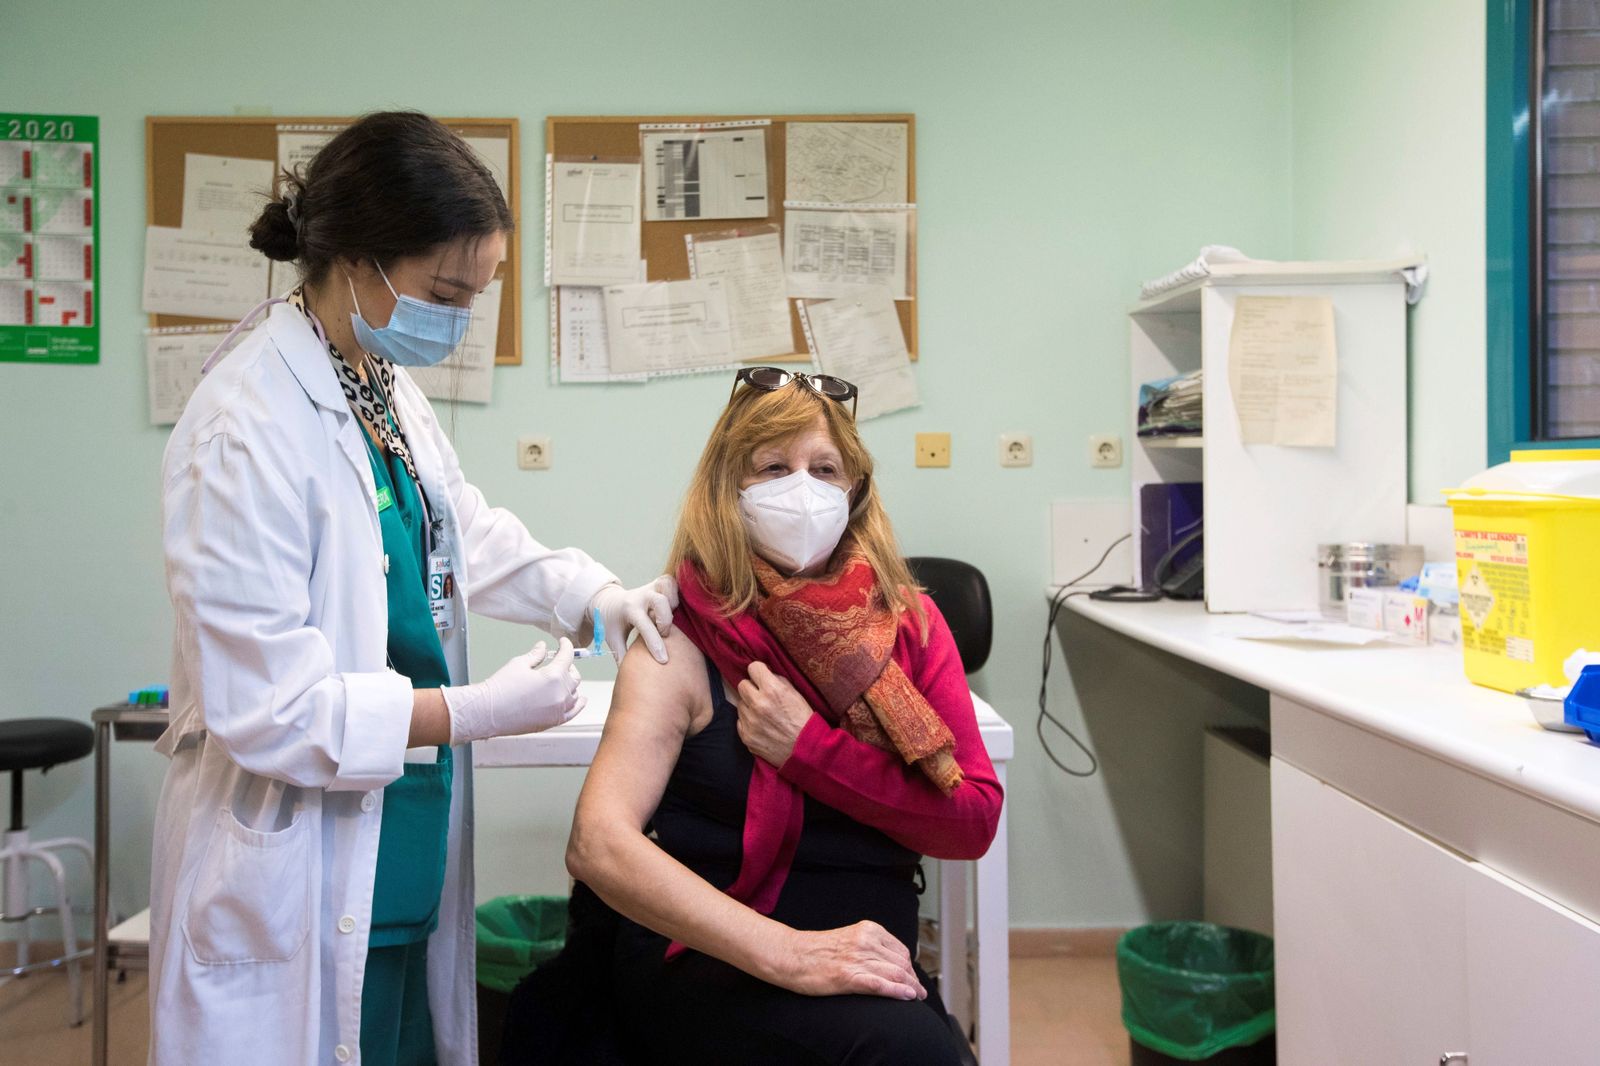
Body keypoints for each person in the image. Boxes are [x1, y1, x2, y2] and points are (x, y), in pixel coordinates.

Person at [147, 111, 676, 1066]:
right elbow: (267, 709)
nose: (460, 317)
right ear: (357, 260)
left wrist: (592, 595)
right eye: (444, 290)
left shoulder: (377, 381)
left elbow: (456, 531)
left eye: (478, 293)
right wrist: (478, 710)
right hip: (296, 860)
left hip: (399, 849)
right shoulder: (245, 427)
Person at [564, 367, 1004, 1065]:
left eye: (825, 469)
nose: (803, 490)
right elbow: (597, 843)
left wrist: (811, 752)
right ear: (728, 487)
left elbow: (973, 820)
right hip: (710, 954)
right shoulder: (679, 636)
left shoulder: (910, 624)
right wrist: (792, 956)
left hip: (868, 950)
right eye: (773, 467)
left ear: (855, 489)